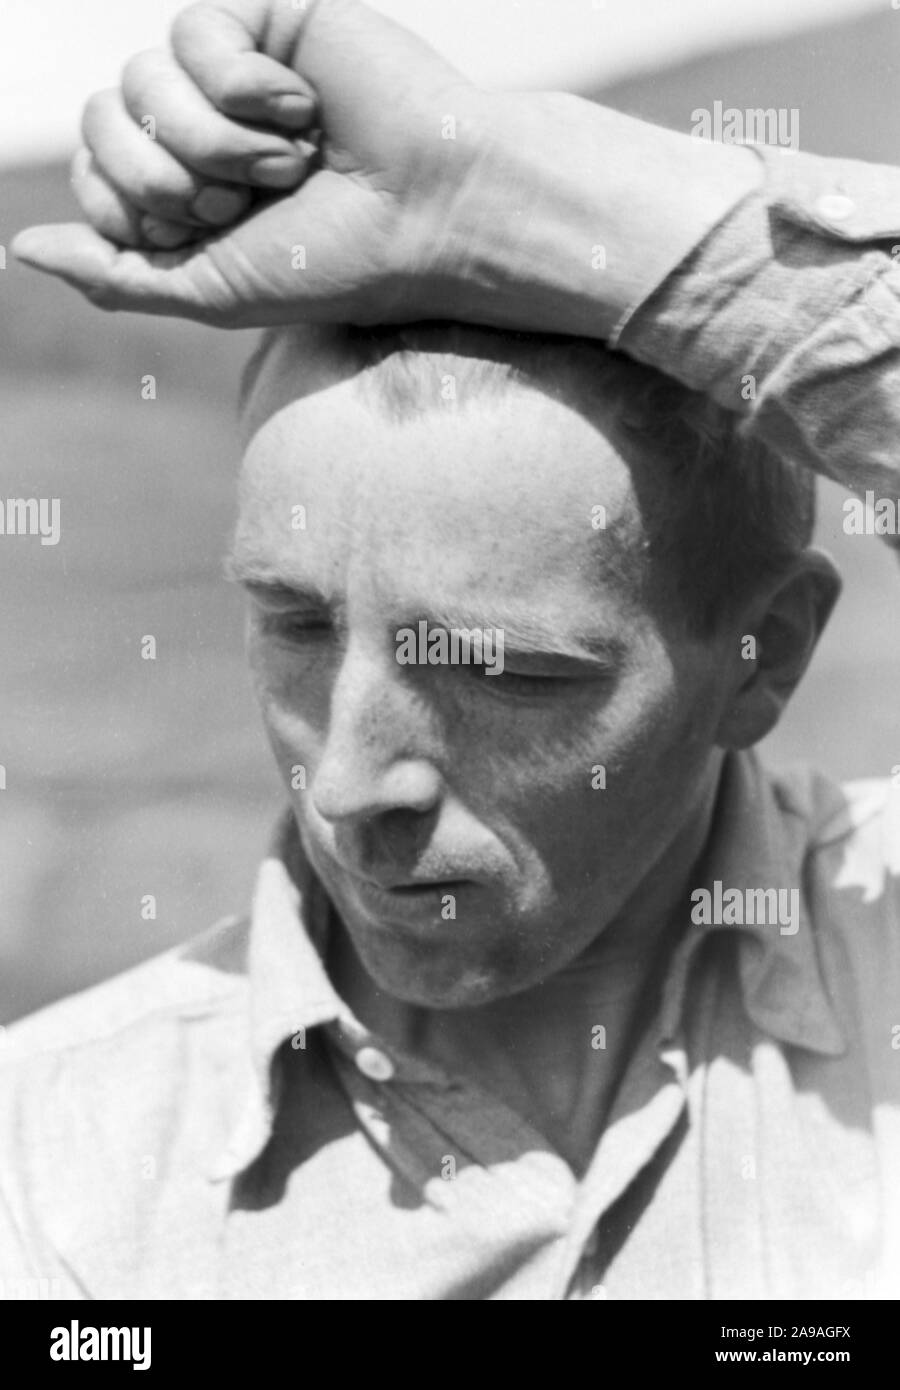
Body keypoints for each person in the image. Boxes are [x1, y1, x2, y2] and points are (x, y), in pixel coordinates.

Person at [2, 0, 899, 1300]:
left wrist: (492, 187)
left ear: (764, 656)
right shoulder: (55, 1169)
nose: (351, 784)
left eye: (501, 671)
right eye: (295, 625)